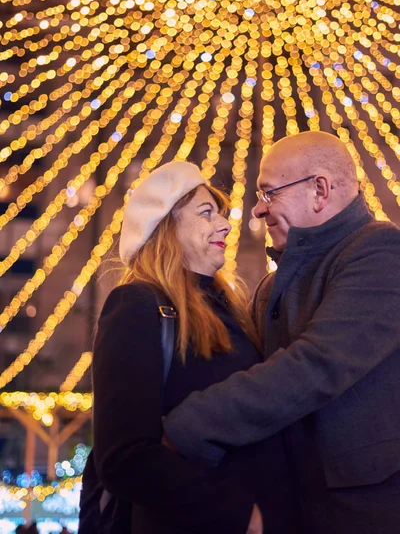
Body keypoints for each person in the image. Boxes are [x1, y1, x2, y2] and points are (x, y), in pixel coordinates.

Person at [164, 132, 400, 534]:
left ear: (319, 190)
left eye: (269, 194)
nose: (257, 210)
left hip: (362, 511)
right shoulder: (271, 288)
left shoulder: (380, 251)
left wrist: (186, 426)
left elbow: (316, 365)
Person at [84, 161, 301, 534]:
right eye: (206, 213)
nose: (225, 224)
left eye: (219, 212)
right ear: (166, 227)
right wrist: (240, 514)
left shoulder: (230, 309)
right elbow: (124, 457)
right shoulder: (137, 305)